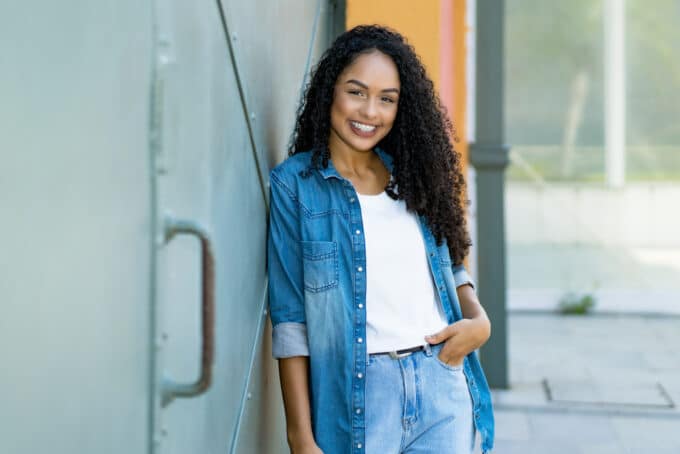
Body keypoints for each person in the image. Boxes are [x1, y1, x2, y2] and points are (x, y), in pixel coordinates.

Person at [267, 25, 495, 454]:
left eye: (387, 99)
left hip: (441, 381)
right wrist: (299, 435)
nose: (370, 111)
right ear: (329, 92)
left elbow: (451, 262)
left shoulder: (414, 174)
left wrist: (478, 320)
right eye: (357, 92)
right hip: (361, 395)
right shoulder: (295, 186)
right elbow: (290, 320)